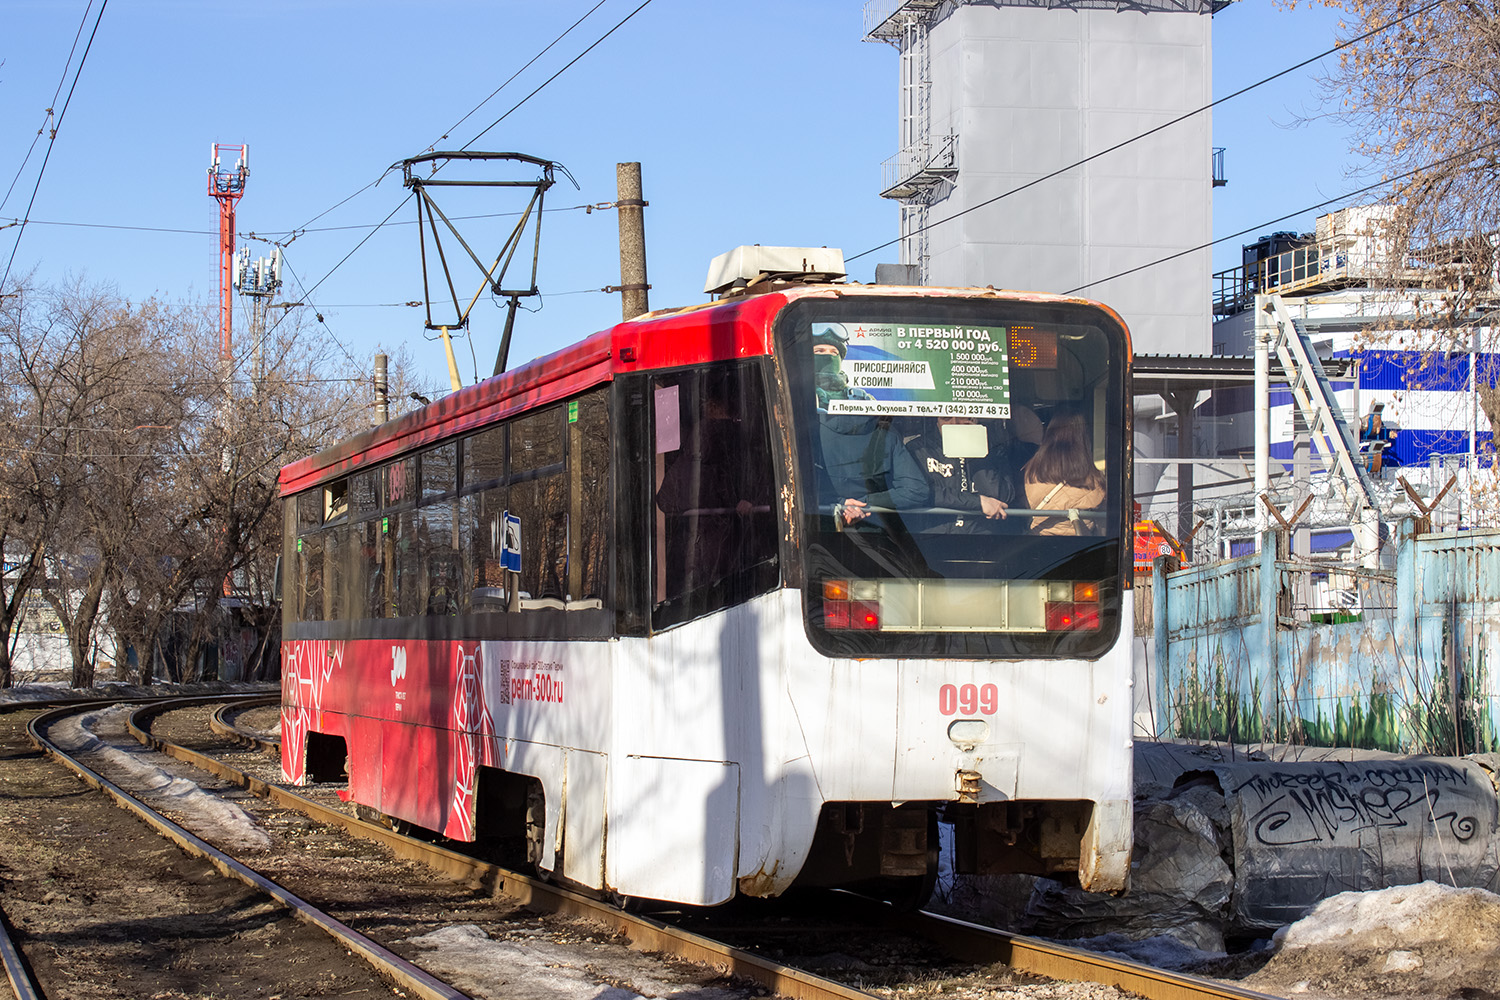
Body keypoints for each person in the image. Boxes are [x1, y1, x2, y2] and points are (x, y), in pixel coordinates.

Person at [905, 416, 1012, 532]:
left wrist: (975, 445)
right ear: (937, 422)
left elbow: (997, 496)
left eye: (962, 417)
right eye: (946, 418)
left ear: (973, 419)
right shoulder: (919, 448)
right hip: (935, 534)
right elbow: (920, 491)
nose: (954, 423)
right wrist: (978, 502)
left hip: (980, 536)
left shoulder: (992, 447)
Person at [1022, 411, 1106, 535]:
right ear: (1083, 437)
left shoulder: (1031, 469)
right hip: (1081, 541)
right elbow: (1101, 504)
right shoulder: (1093, 476)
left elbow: (1025, 501)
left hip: (1039, 539)